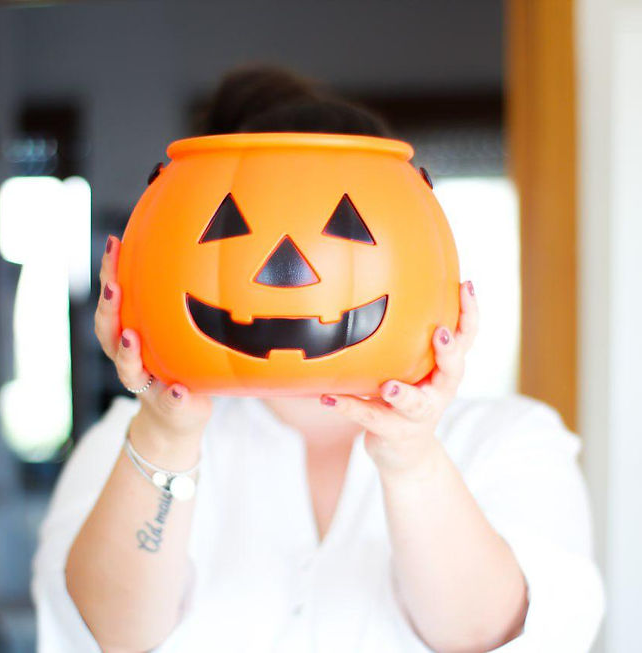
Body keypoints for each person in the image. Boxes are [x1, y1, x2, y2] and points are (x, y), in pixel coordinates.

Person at [32, 66, 604, 653]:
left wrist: (409, 455)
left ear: (421, 248)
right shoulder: (129, 444)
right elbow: (111, 635)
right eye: (230, 226)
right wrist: (165, 432)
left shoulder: (510, 438)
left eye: (347, 229)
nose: (289, 271)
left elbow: (485, 636)